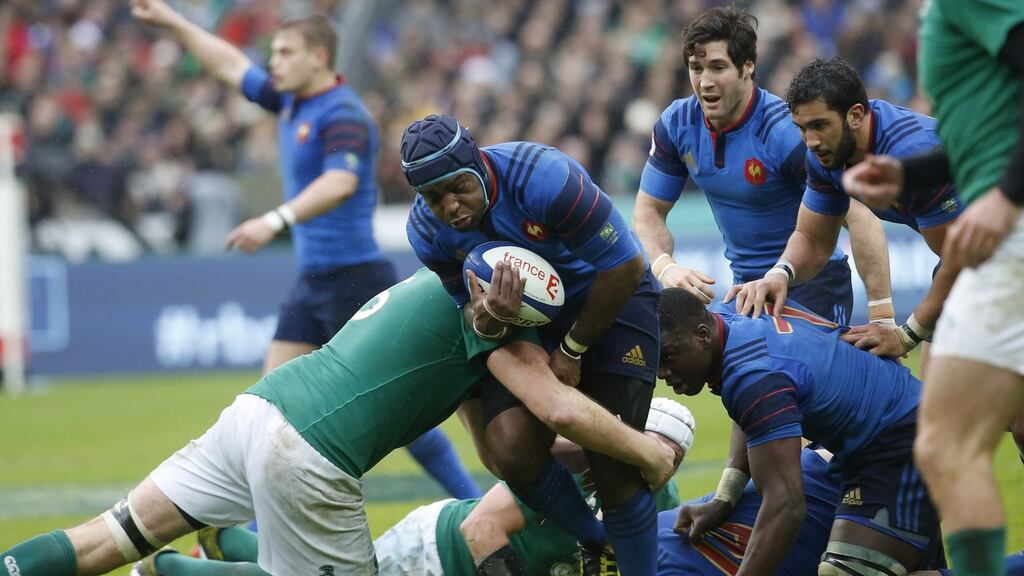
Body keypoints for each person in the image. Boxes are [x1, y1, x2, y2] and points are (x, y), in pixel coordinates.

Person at [0, 267, 678, 576]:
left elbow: (498, 456)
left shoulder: (431, 285)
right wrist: (644, 456)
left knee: (112, 536)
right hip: (311, 455)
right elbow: (558, 407)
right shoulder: (497, 329)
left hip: (261, 408)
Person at [129, 0, 480, 500]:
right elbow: (231, 65)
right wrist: (173, 22)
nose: (274, 62)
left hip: (356, 279)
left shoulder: (344, 114)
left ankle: (473, 502)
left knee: (402, 415)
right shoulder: (290, 101)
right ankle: (252, 526)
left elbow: (339, 181)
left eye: (286, 52)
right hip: (313, 281)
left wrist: (276, 219)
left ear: (319, 57)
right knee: (266, 410)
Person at [401, 113, 659, 575]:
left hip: (612, 296)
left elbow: (625, 265)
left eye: (458, 186)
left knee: (614, 468)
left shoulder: (543, 178)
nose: (451, 205)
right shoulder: (425, 231)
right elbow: (471, 313)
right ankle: (597, 541)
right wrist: (488, 318)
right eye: (433, 197)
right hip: (531, 321)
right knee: (510, 451)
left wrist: (572, 351)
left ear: (478, 163)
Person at [842, 3, 1024, 573]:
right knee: (952, 444)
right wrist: (909, 175)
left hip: (1011, 234)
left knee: (946, 447)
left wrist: (1007, 195)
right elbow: (988, 123)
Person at [154, 399, 692, 576]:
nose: (648, 462)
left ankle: (227, 540)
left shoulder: (662, 505)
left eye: (666, 459)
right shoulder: (572, 468)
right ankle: (172, 567)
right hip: (440, 553)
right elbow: (484, 527)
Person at [632, 7, 891, 327]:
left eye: (717, 67)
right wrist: (664, 265)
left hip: (811, 288)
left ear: (748, 67)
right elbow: (648, 211)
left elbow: (860, 216)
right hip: (744, 289)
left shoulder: (784, 134)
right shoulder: (677, 124)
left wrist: (882, 316)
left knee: (778, 373)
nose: (705, 81)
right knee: (681, 350)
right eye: (696, 68)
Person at [657, 287, 944, 575]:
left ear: (703, 336)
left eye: (668, 356)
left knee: (842, 571)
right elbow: (752, 413)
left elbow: (786, 506)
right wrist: (725, 498)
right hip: (880, 434)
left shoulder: (754, 378)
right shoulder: (733, 314)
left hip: (903, 438)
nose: (661, 373)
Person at [725, 57, 964, 361]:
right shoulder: (827, 156)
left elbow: (961, 261)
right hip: (985, 258)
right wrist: (779, 274)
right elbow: (813, 239)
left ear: (855, 115)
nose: (810, 141)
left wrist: (906, 335)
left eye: (820, 125)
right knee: (938, 402)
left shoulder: (909, 152)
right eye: (802, 129)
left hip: (997, 257)